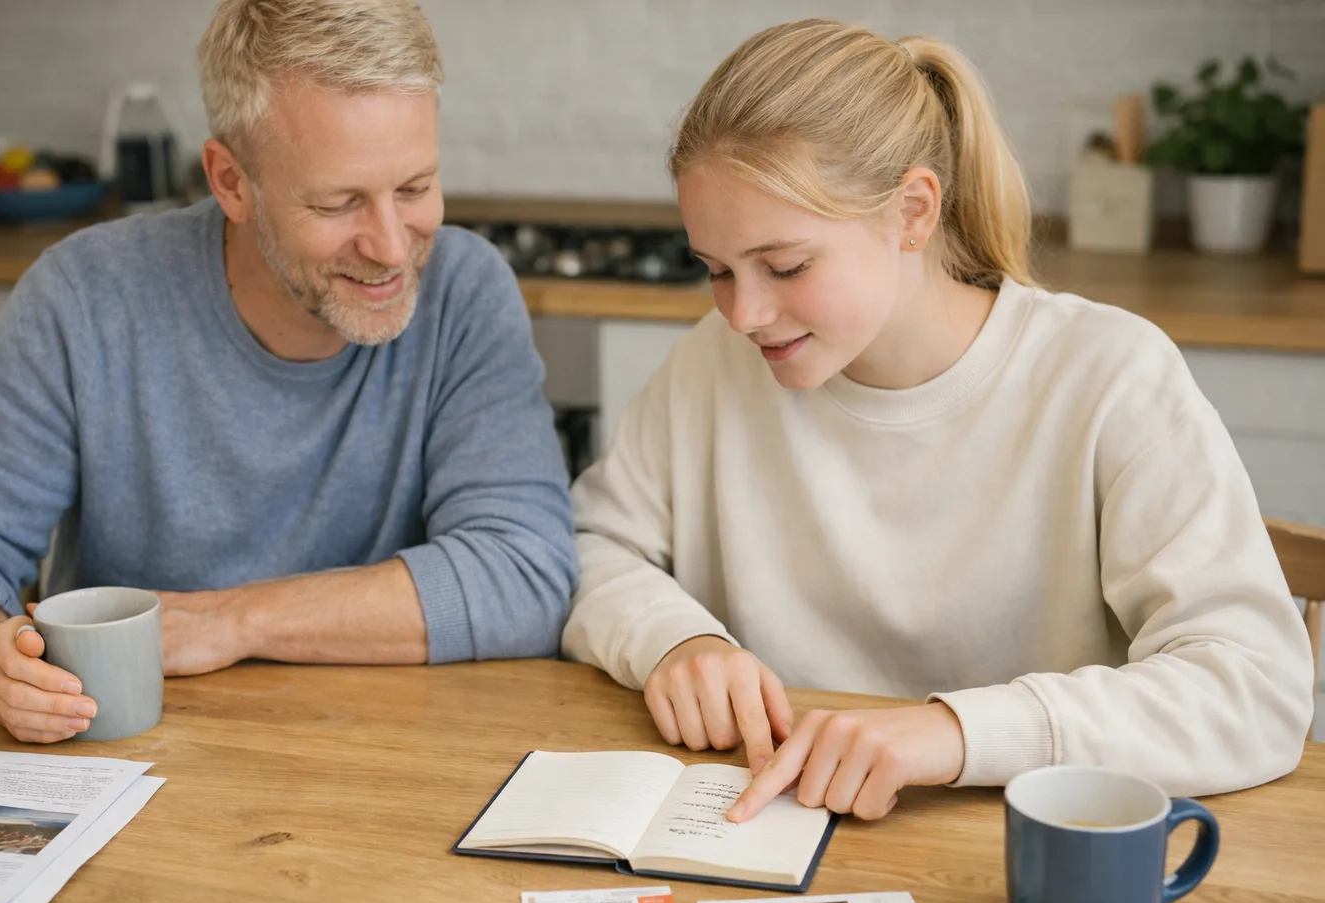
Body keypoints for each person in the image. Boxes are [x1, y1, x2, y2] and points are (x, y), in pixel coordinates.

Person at [561, 18, 1314, 823]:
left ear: (913, 212)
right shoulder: (718, 362)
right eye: (715, 270)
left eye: (786, 266)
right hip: (765, 833)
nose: (745, 312)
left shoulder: (1108, 376)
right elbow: (587, 544)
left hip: (1017, 861)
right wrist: (675, 641)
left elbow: (1253, 687)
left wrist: (954, 733)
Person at [0, 0, 577, 743]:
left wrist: (231, 622)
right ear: (231, 181)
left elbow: (525, 573)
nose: (392, 247)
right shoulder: (87, 297)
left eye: (415, 188)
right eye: (338, 202)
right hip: (134, 756)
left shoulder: (465, 292)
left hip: (385, 763)